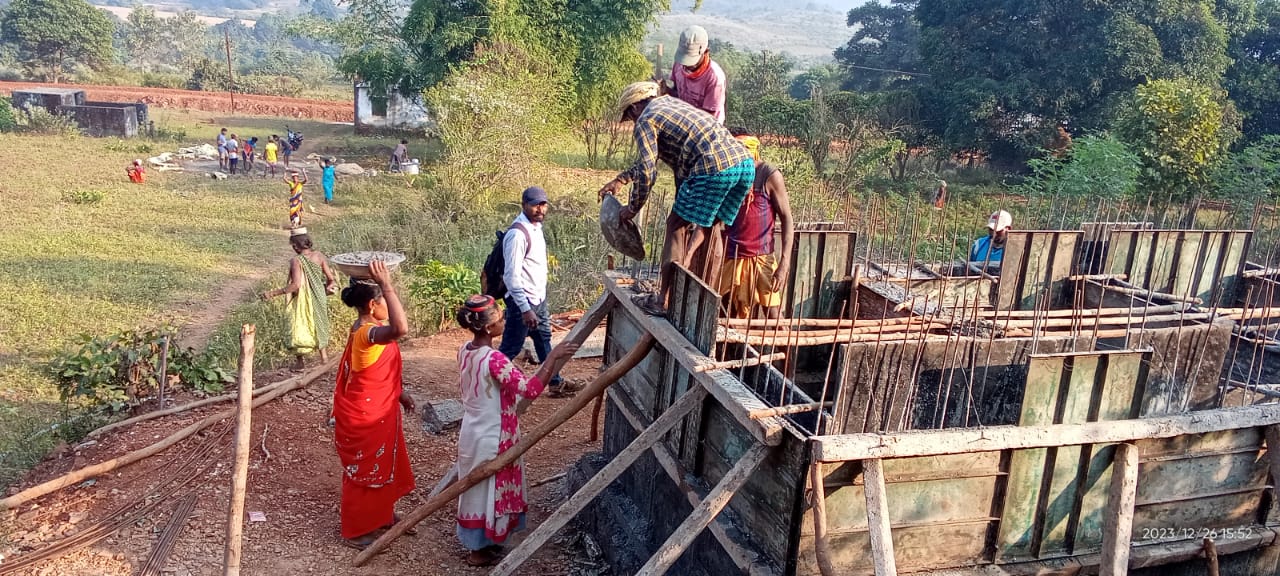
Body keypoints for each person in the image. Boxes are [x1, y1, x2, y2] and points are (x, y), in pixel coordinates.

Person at [598, 81, 754, 316]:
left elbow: (648, 171)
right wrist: (622, 180)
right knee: (713, 228)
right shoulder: (671, 105)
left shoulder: (645, 120)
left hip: (713, 166)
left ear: (634, 108)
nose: (632, 121)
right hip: (743, 164)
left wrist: (632, 208)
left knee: (675, 227)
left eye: (629, 116)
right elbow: (648, 162)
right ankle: (706, 301)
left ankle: (663, 300)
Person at [454, 295, 580, 567]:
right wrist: (553, 357)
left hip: (472, 431)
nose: (504, 321)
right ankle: (479, 550)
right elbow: (530, 389)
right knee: (490, 488)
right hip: (494, 434)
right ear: (488, 328)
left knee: (476, 489)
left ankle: (481, 543)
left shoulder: (465, 350)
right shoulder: (495, 360)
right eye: (500, 319)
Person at [331, 260, 416, 550]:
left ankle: (380, 515)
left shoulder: (368, 327)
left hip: (380, 407)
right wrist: (386, 284)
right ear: (371, 305)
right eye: (385, 301)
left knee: (385, 462)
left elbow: (372, 369)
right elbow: (401, 328)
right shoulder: (369, 334)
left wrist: (399, 392)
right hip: (367, 415)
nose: (390, 304)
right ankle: (356, 530)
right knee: (366, 470)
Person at [499, 186, 573, 397]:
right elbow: (511, 277)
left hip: (537, 299)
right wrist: (525, 309)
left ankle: (555, 383)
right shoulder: (517, 235)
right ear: (524, 205)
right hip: (522, 303)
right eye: (534, 205)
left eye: (543, 204)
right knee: (510, 348)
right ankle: (489, 387)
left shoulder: (535, 227)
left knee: (543, 340)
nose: (540, 209)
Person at [720, 132, 794, 319]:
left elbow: (787, 218)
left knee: (773, 314)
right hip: (732, 255)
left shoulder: (768, 174)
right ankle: (728, 349)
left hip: (762, 257)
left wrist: (784, 263)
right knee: (725, 313)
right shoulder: (729, 173)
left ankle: (784, 349)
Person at [260, 228, 337, 368]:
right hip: (318, 296)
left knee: (298, 324)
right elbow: (331, 279)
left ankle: (300, 362)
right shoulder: (319, 256)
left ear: (295, 246)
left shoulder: (296, 261)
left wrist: (272, 294)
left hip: (302, 298)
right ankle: (324, 358)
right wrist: (329, 287)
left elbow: (296, 285)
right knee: (319, 323)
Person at [669, 25, 727, 123]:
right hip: (682, 120)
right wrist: (665, 90)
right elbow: (676, 93)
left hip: (707, 126)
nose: (687, 65)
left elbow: (709, 117)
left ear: (705, 52)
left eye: (691, 60)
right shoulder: (679, 64)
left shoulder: (715, 78)